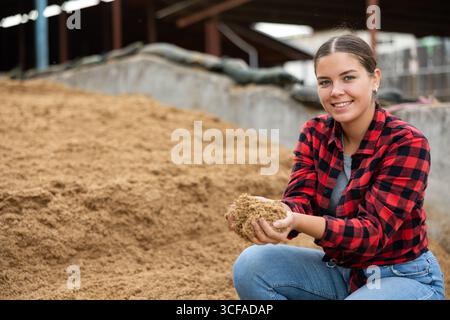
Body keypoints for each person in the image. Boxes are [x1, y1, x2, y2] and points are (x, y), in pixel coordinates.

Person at [226, 34, 445, 300]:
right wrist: (277, 213)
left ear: (375, 78)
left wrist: (296, 220)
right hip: (341, 271)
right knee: (253, 266)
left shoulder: (406, 142)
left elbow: (372, 234)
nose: (336, 91)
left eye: (348, 78)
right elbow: (300, 199)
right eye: (325, 82)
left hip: (400, 276)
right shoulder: (315, 131)